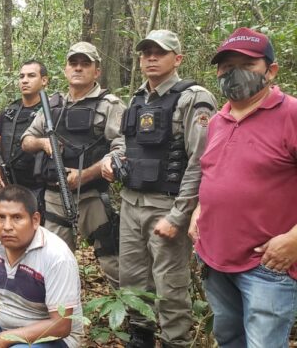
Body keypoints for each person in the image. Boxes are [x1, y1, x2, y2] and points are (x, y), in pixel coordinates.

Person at [101, 30, 216, 348]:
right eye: (146, 52)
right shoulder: (137, 98)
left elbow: (201, 160)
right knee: (133, 281)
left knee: (169, 286)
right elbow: (125, 141)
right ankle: (140, 337)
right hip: (130, 203)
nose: (151, 57)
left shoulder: (194, 97)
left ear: (177, 59)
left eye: (159, 52)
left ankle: (175, 340)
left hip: (167, 205)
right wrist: (113, 158)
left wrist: (180, 215)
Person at [190, 27, 297, 347]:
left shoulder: (291, 113)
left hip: (267, 265)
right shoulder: (217, 121)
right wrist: (199, 211)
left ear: (271, 69)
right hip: (215, 260)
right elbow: (213, 174)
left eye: (247, 65)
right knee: (228, 339)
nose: (234, 74)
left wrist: (294, 239)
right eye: (226, 67)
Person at [21, 42, 125, 289]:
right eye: (73, 63)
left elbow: (122, 149)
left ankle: (136, 320)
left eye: (85, 64)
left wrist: (86, 175)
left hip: (91, 198)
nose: (78, 68)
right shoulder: (52, 105)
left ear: (96, 71)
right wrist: (43, 143)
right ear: (66, 69)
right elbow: (25, 141)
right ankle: (57, 320)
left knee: (113, 261)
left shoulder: (109, 105)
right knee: (54, 263)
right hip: (55, 196)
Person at [0, 185, 83, 348]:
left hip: (54, 338)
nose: (7, 226)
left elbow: (61, 325)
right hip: (6, 326)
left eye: (17, 217)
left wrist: (5, 338)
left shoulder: (56, 256)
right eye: (1, 217)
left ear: (35, 220)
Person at [0, 59, 49, 211]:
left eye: (31, 76)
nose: (25, 80)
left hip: (40, 187)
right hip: (10, 184)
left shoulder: (51, 111)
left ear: (44, 80)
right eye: (21, 76)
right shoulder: (9, 112)